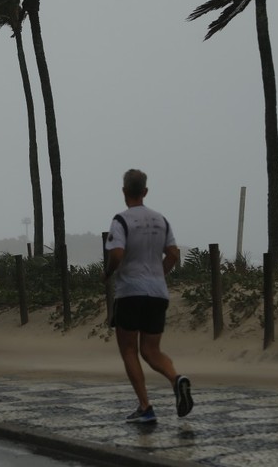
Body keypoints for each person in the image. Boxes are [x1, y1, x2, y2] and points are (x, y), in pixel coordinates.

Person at [102, 168, 193, 423]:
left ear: (124, 192)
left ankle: (145, 406)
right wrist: (159, 274)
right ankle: (176, 379)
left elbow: (117, 253)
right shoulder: (160, 220)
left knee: (129, 350)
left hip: (131, 292)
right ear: (145, 191)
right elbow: (174, 254)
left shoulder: (121, 220)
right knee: (152, 350)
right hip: (157, 293)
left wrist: (108, 272)